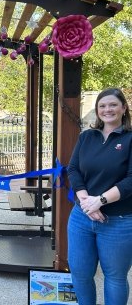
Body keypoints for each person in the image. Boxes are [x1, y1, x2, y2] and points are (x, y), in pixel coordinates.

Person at [67, 87, 132, 305]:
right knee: (81, 274)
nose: (108, 109)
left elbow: (131, 181)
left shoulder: (130, 139)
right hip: (81, 218)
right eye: (102, 106)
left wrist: (99, 201)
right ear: (97, 110)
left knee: (114, 277)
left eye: (113, 104)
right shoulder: (87, 137)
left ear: (124, 108)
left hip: (118, 221)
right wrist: (86, 201)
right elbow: (73, 169)